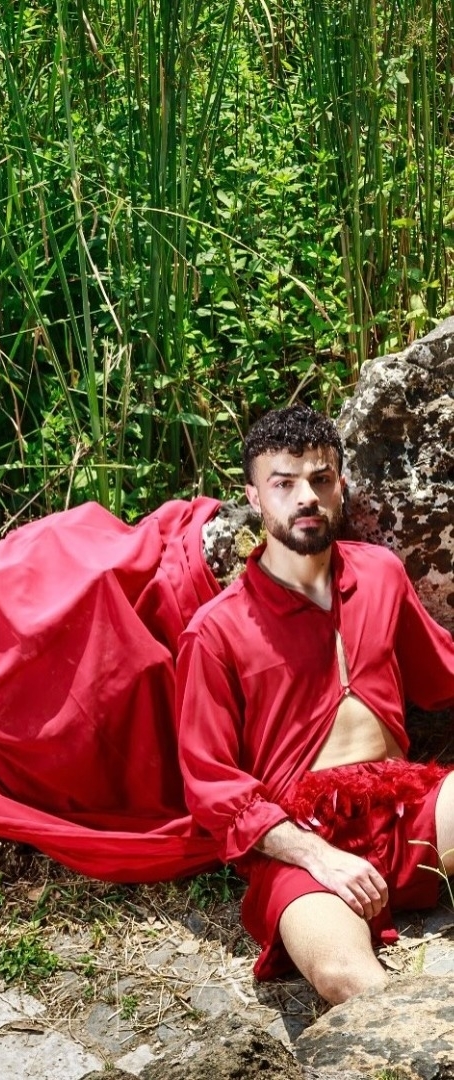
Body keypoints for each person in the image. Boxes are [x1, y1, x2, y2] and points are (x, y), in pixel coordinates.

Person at [177, 403, 454, 1005]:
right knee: (344, 977)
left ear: (340, 487)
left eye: (320, 479)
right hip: (300, 838)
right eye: (283, 483)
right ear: (254, 497)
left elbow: (442, 673)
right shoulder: (215, 631)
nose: (306, 496)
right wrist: (318, 857)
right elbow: (210, 785)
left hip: (409, 806)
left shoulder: (381, 575)